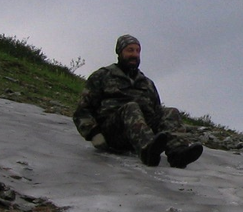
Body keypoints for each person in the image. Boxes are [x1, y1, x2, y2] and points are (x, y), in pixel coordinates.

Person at [73, 34, 204, 168]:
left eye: (137, 51)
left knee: (171, 112)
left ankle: (178, 153)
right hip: (113, 133)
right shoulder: (102, 76)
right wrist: (94, 134)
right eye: (130, 50)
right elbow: (82, 111)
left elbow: (156, 110)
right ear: (120, 52)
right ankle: (147, 150)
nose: (135, 55)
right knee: (131, 107)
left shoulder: (146, 83)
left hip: (142, 135)